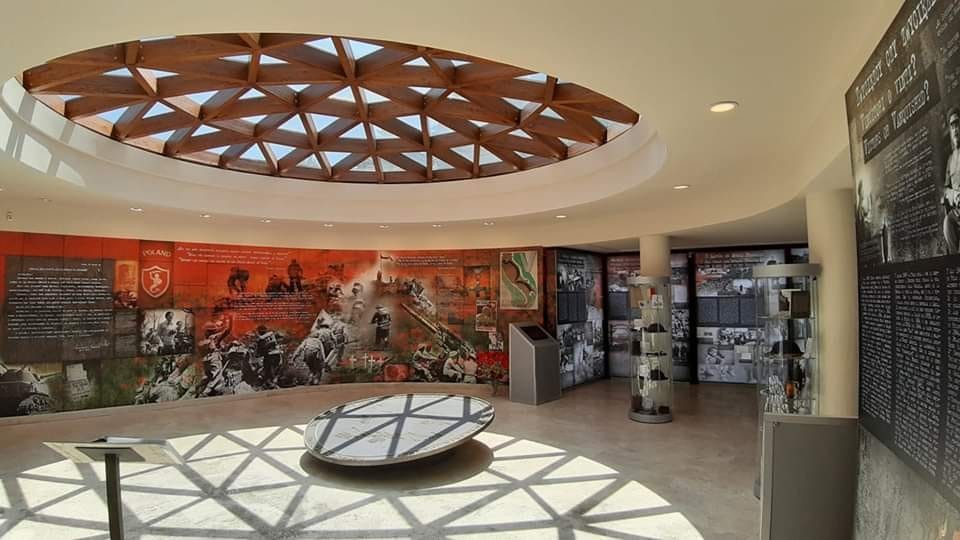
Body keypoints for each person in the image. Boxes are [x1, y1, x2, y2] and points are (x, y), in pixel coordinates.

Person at [945, 107, 960, 253]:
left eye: (957, 124)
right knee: (947, 223)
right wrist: (953, 194)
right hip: (957, 210)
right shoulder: (950, 160)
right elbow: (946, 188)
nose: (955, 129)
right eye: (952, 126)